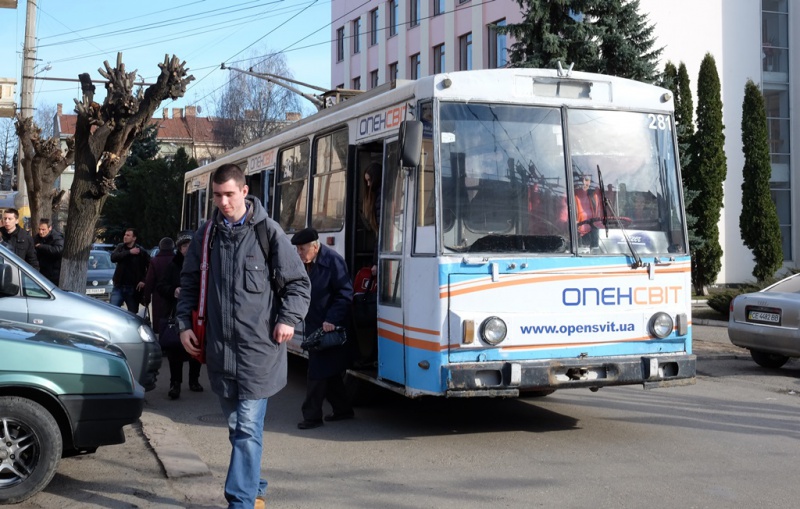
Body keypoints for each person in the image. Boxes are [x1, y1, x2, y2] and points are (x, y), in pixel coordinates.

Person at [176, 163, 311, 509]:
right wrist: (185, 325)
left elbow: (298, 284)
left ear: (244, 191)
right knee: (239, 429)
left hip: (259, 355)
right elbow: (189, 285)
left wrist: (288, 319)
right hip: (220, 355)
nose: (223, 202)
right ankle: (255, 482)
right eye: (217, 196)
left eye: (229, 194)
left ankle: (241, 501)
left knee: (247, 429)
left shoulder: (269, 232)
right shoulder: (206, 237)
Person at [291, 227, 355, 430]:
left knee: (317, 372)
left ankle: (312, 416)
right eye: (298, 250)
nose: (299, 253)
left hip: (329, 327)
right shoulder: (305, 263)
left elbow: (345, 294)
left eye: (302, 249)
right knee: (330, 370)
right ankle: (343, 409)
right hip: (314, 324)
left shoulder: (333, 261)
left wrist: (331, 319)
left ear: (315, 246)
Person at [157, 234, 203, 400]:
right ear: (179, 248)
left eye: (191, 246)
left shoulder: (202, 264)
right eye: (184, 246)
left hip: (197, 312)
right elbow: (161, 286)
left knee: (196, 346)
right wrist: (173, 290)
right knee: (175, 350)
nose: (188, 249)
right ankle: (175, 384)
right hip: (176, 312)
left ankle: (194, 380)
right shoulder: (173, 265)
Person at [142, 237, 176, 343]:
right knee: (174, 319)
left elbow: (150, 281)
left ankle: (163, 342)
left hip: (159, 296)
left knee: (161, 321)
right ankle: (174, 341)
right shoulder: (177, 260)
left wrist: (146, 299)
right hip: (174, 295)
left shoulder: (155, 261)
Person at [110, 228, 150, 313]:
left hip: (133, 288)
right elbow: (113, 258)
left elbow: (150, 266)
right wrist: (129, 252)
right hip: (118, 286)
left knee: (132, 314)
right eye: (125, 235)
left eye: (128, 235)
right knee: (112, 311)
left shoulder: (141, 251)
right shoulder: (120, 247)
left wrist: (144, 280)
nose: (125, 237)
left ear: (134, 238)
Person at [361, 163, 382, 276]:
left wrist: (376, 262)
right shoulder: (378, 196)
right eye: (366, 181)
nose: (368, 184)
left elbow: (381, 235)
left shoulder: (380, 198)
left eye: (370, 180)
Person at [34, 218, 63, 285]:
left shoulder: (57, 237)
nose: (41, 232)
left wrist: (41, 246)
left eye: (43, 229)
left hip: (54, 274)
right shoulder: (37, 237)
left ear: (50, 228)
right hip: (41, 272)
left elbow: (58, 250)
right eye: (39, 229)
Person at [574, 173, 599, 248]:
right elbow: (563, 219)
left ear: (590, 182)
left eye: (587, 180)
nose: (584, 182)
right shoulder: (571, 195)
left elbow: (598, 217)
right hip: (576, 238)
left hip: (593, 236)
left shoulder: (594, 196)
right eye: (582, 180)